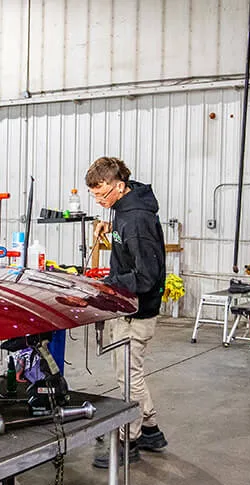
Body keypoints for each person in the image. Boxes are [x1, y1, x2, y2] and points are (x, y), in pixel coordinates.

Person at [85, 156, 168, 468]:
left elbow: (147, 275)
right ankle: (150, 431)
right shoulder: (124, 210)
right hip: (128, 306)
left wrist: (110, 284)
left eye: (101, 193)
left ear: (119, 186)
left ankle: (128, 441)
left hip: (137, 310)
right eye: (93, 194)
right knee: (131, 372)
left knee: (128, 377)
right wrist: (110, 227)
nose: (97, 199)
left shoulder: (135, 220)